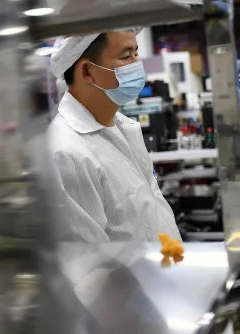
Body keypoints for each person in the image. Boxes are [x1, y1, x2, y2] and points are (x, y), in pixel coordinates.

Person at [47, 30, 180, 242]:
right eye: (126, 57)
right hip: (138, 276)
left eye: (136, 54)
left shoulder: (123, 127)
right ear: (87, 71)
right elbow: (90, 263)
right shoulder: (67, 153)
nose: (137, 64)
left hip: (164, 269)